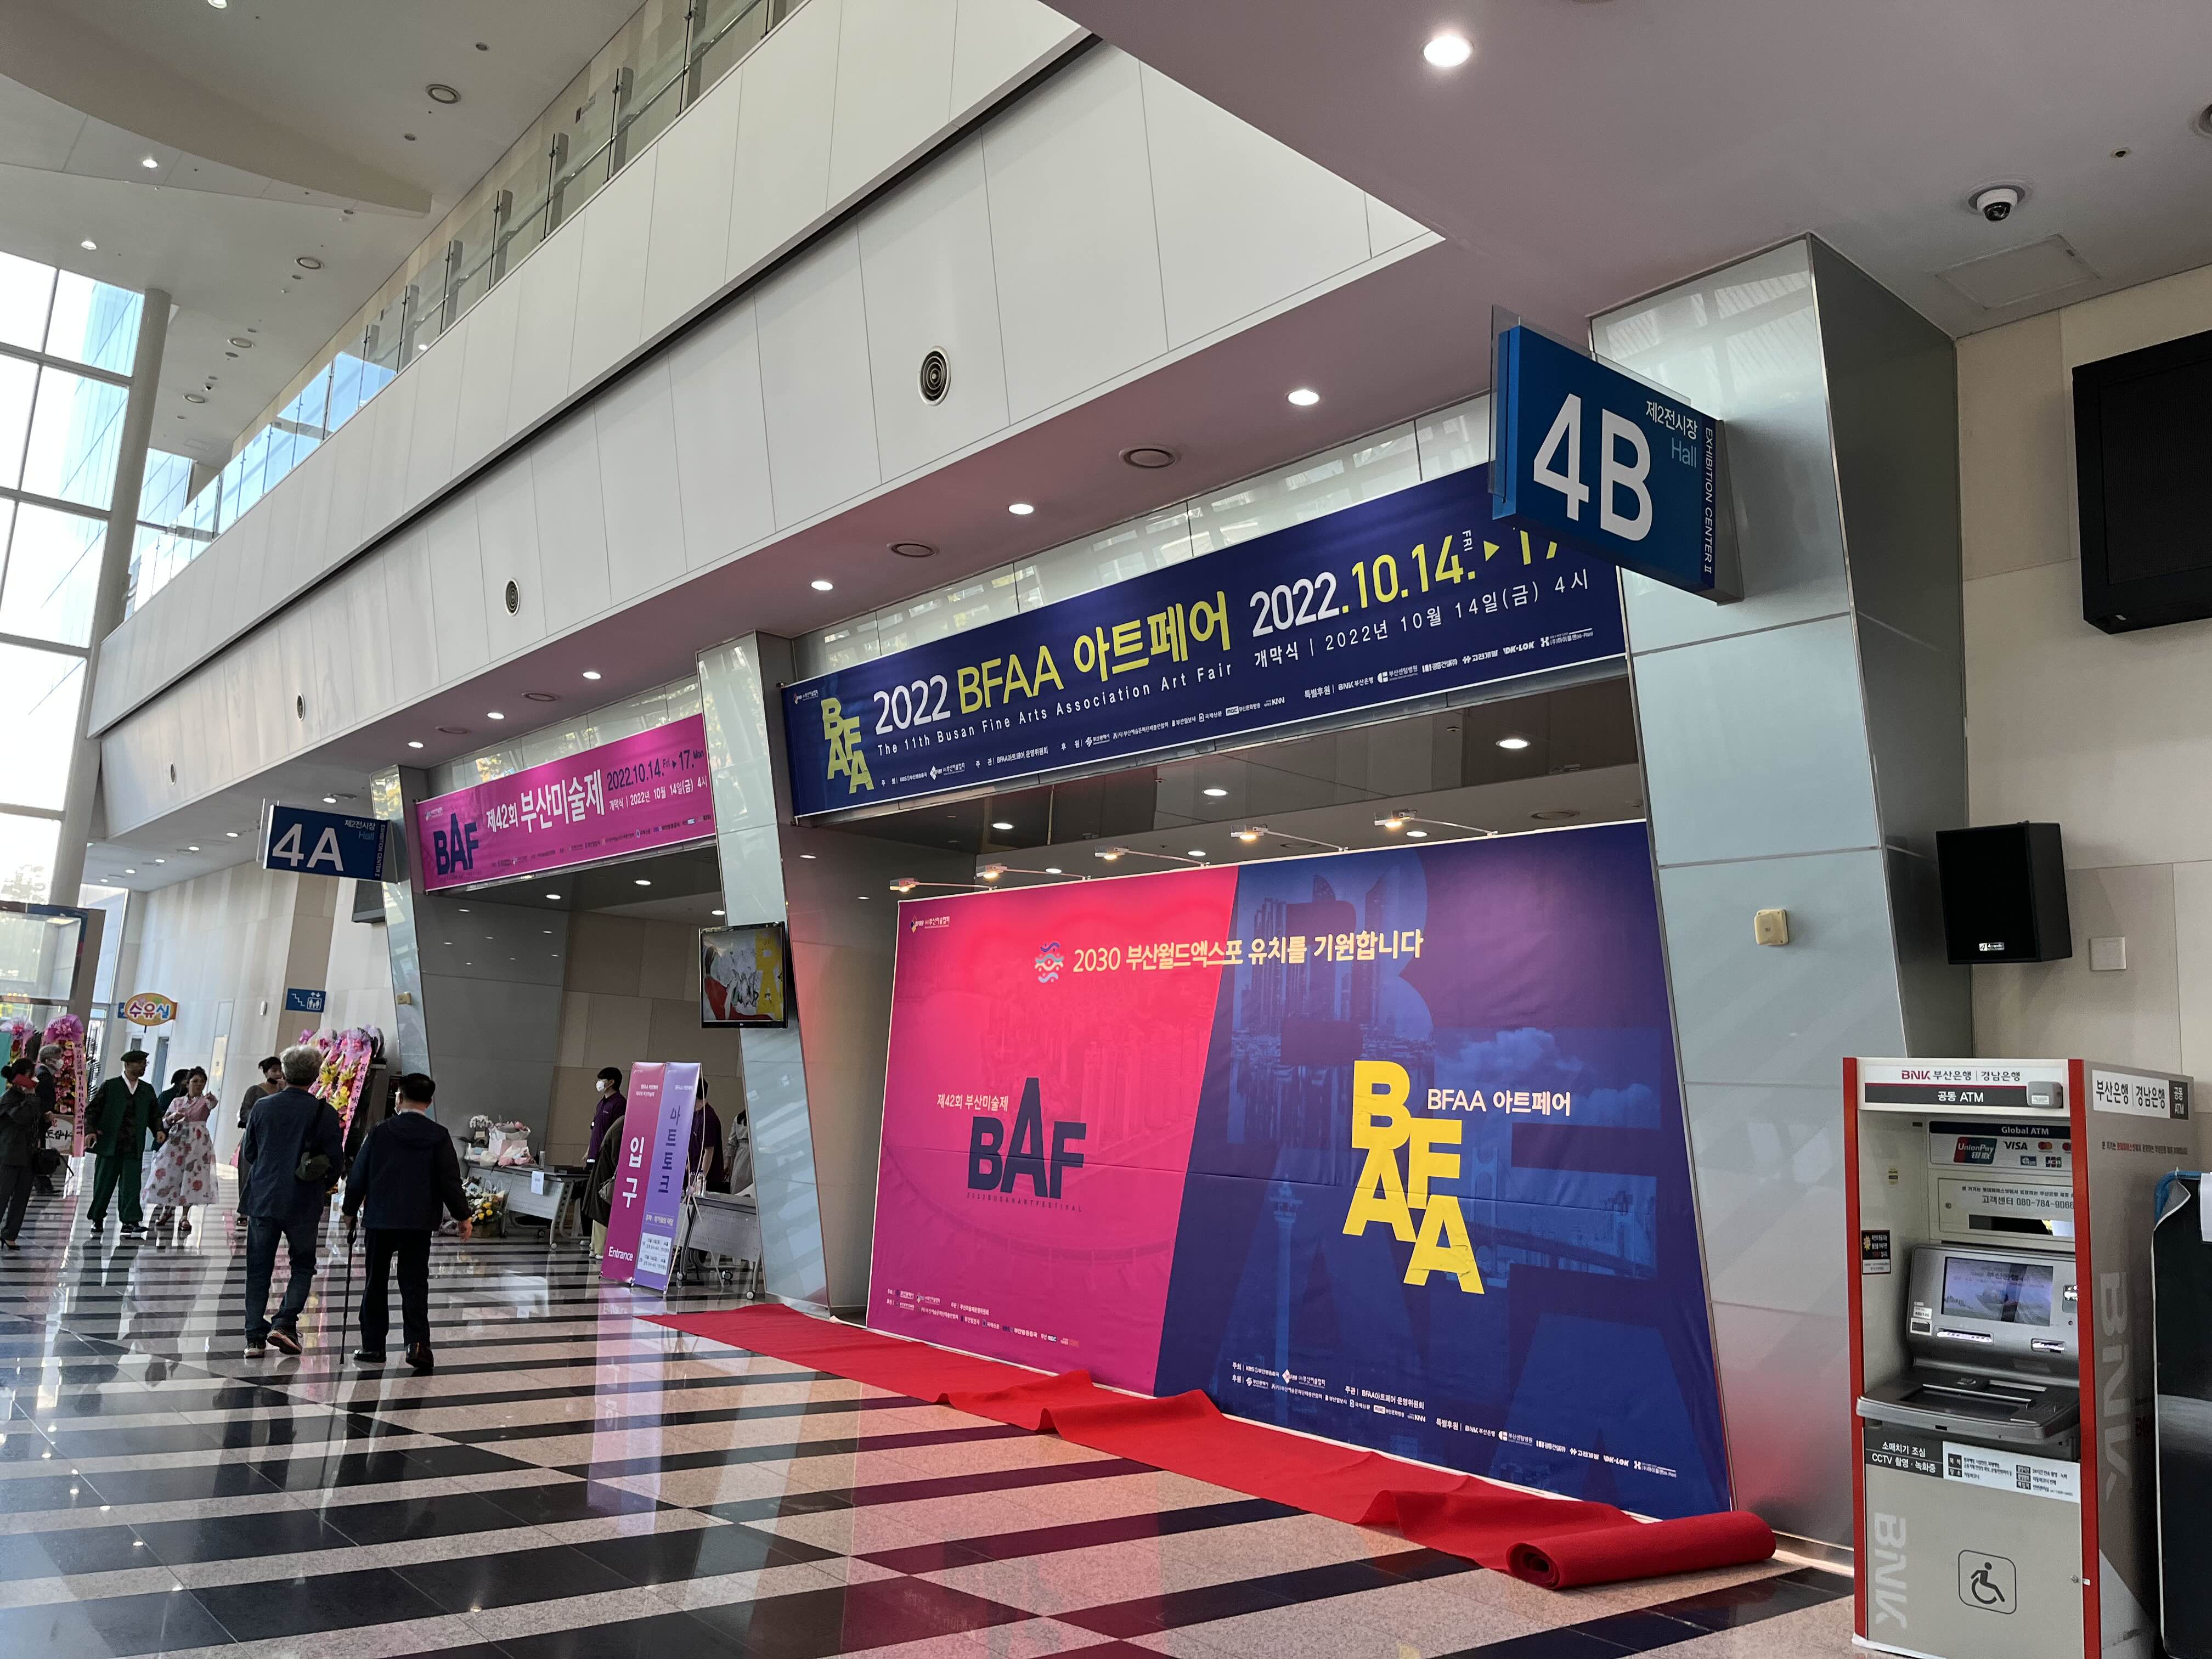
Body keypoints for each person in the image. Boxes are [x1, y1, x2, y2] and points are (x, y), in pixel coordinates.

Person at [342, 1073, 471, 1373]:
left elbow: (358, 1175)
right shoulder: (439, 1136)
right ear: (430, 1101)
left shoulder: (379, 1132)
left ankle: (373, 1346)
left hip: (381, 1220)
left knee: (375, 1281)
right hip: (418, 1223)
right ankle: (418, 1344)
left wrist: (349, 1210)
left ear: (399, 1099)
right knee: (414, 1283)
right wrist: (462, 1216)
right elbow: (450, 1181)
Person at [238, 1045, 343, 1357]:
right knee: (303, 1264)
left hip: (264, 1198)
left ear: (284, 1072)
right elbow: (335, 1163)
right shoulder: (325, 1113)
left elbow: (249, 1152)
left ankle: (254, 1338)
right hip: (304, 1200)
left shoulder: (263, 1107)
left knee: (259, 1268)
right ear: (315, 1076)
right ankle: (285, 1322)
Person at [84, 1049, 157, 1237]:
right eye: (140, 1063)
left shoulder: (147, 1090)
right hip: (110, 1144)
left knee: (132, 1185)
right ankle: (97, 1218)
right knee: (104, 1183)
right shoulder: (111, 1086)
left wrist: (159, 1131)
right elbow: (92, 1111)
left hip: (133, 1145)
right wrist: (91, 1131)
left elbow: (155, 1115)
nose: (143, 1067)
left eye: (145, 1064)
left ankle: (130, 1221)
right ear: (128, 1064)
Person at [146, 1068, 218, 1235]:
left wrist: (212, 1100)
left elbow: (212, 1104)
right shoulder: (177, 1101)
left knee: (192, 1177)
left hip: (197, 1143)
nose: (199, 1085)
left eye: (202, 1082)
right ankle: (167, 1208)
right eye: (195, 1081)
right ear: (188, 1083)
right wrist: (172, 1118)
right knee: (172, 1174)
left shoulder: (205, 1101)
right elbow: (165, 1121)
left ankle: (185, 1215)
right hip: (177, 1141)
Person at [0, 1058, 53, 1249]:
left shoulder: (32, 1098)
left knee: (22, 1198)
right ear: (21, 1078)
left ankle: (10, 1234)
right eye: (31, 1076)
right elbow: (21, 1117)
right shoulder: (9, 1098)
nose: (35, 1080)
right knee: (2, 1195)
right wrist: (31, 1097)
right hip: (9, 1154)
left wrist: (46, 1119)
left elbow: (35, 1123)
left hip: (29, 1156)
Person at [585, 1095, 625, 1259]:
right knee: (603, 1210)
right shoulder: (624, 1125)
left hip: (602, 1169)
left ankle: (595, 1247)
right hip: (606, 1173)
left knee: (599, 1210)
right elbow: (616, 1154)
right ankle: (600, 1249)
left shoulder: (621, 1122)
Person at [31, 1043, 64, 1196]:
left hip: (40, 1120)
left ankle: (43, 1185)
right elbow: (40, 1098)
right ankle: (43, 1185)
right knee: (39, 1152)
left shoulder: (41, 1072)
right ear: (49, 1060)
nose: (61, 1061)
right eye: (58, 1058)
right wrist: (46, 1111)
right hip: (40, 1120)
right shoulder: (44, 1076)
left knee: (38, 1151)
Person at [688, 1079, 730, 1193]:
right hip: (695, 1172)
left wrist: (701, 1180)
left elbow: (709, 1151)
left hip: (709, 1181)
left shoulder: (708, 1119)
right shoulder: (695, 1115)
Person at [585, 1068, 625, 1164]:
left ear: (611, 1082)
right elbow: (595, 1130)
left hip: (605, 1157)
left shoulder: (619, 1103)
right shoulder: (601, 1103)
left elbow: (618, 1133)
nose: (598, 1083)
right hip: (593, 1156)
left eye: (602, 1080)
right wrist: (589, 1151)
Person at [236, 1056, 283, 1131]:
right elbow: (244, 1113)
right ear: (266, 1073)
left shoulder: (283, 1091)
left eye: (281, 1071)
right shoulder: (254, 1090)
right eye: (274, 1071)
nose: (278, 1074)